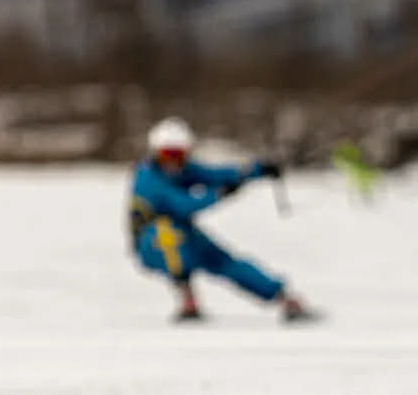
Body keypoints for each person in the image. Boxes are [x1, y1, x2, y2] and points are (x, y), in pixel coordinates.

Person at [127, 116, 316, 322]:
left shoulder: (185, 170)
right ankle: (188, 301)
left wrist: (257, 170)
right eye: (167, 154)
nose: (172, 161)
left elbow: (218, 175)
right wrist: (219, 193)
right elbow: (184, 205)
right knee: (171, 242)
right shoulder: (147, 178)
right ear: (156, 153)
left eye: (178, 155)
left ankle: (283, 298)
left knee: (225, 261)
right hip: (151, 240)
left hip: (183, 231)